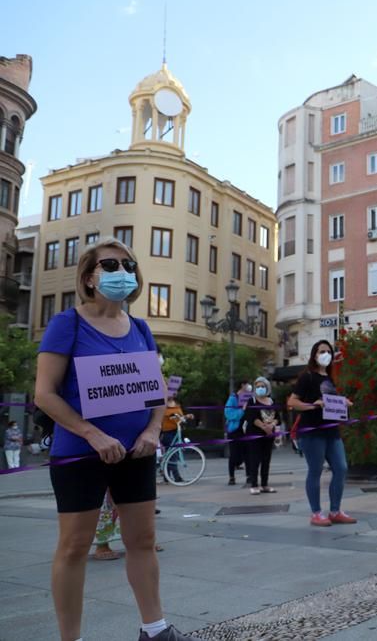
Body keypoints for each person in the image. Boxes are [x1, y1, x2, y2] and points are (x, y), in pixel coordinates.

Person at [34, 236, 202, 641]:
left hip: (137, 452)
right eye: (110, 266)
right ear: (89, 277)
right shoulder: (67, 324)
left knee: (142, 539)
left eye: (128, 265)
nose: (122, 272)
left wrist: (150, 431)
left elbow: (156, 392)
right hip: (80, 453)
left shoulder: (141, 328)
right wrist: (92, 434)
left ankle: (155, 629)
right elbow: (44, 393)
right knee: (75, 547)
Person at [287, 340, 355, 525]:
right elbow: (292, 402)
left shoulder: (329, 378)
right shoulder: (307, 377)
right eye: (321, 351)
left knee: (341, 468)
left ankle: (335, 511)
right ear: (314, 355)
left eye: (328, 351)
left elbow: (330, 401)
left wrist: (343, 403)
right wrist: (312, 405)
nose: (325, 354)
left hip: (331, 430)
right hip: (311, 431)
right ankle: (316, 513)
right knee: (315, 470)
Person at [244, 376, 279, 495]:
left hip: (268, 436)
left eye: (262, 386)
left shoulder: (272, 401)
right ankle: (254, 485)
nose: (260, 389)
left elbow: (278, 417)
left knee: (266, 460)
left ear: (267, 387)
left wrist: (272, 425)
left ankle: (265, 484)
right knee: (255, 459)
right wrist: (264, 427)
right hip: (255, 434)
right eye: (257, 387)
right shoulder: (251, 401)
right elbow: (250, 417)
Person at [224, 381, 251, 487]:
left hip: (246, 430)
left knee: (247, 453)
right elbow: (229, 414)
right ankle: (231, 477)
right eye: (246, 384)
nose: (248, 386)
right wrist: (241, 411)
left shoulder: (249, 398)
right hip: (235, 430)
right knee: (234, 454)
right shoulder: (233, 398)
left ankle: (249, 476)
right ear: (242, 385)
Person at [160, 397, 193, 483]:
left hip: (176, 431)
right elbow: (167, 416)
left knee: (172, 454)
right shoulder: (163, 404)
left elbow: (180, 418)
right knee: (172, 454)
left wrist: (187, 416)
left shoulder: (177, 404)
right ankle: (176, 477)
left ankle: (166, 476)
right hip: (167, 432)